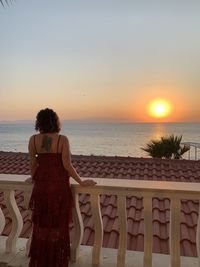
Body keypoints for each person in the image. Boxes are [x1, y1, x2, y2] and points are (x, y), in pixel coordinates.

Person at [28, 108, 96, 267]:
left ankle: (42, 259)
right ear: (55, 121)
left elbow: (33, 164)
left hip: (41, 187)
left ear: (39, 122)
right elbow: (67, 165)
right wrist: (81, 182)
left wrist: (33, 177)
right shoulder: (62, 140)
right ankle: (55, 260)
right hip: (58, 188)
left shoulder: (32, 140)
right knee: (58, 224)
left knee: (42, 224)